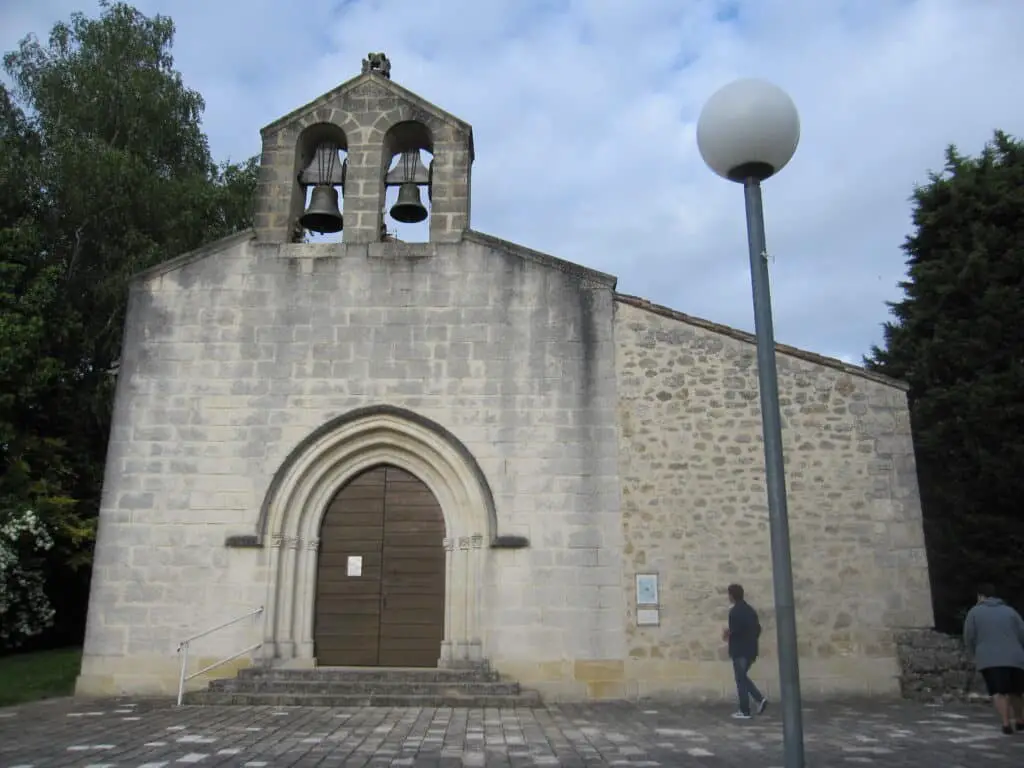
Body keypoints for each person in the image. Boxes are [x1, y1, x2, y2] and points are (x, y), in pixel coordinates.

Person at [962, 583, 1024, 735]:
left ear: (980, 596)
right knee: (1016, 691)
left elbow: (969, 636)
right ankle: (1020, 720)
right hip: (1015, 658)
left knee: (999, 692)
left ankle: (1006, 723)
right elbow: (1022, 632)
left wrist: (974, 653)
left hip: (989, 659)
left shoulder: (974, 612)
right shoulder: (1010, 611)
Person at [722, 583, 767, 720]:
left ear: (732, 595)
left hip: (739, 650)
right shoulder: (750, 610)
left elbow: (735, 631)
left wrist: (727, 634)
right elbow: (758, 629)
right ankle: (758, 700)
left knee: (741, 679)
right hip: (751, 649)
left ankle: (746, 709)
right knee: (742, 677)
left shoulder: (734, 612)